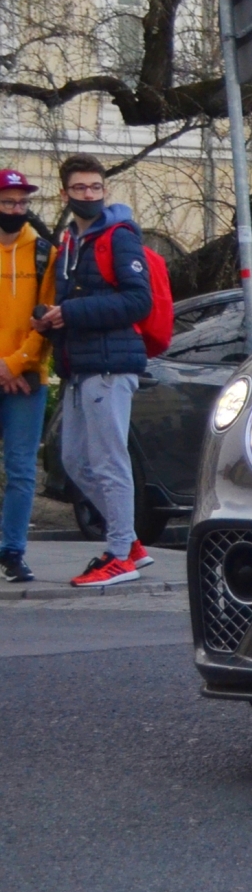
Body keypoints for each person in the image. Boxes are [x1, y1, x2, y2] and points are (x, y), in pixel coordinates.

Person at [35, 156, 154, 588]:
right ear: (64, 192)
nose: (89, 195)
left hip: (109, 365)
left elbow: (139, 301)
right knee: (75, 461)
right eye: (80, 188)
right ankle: (130, 543)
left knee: (108, 461)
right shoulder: (70, 241)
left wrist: (71, 311)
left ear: (104, 190)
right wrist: (49, 318)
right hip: (80, 366)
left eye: (95, 188)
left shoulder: (118, 238)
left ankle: (120, 553)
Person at [0, 168, 53, 582]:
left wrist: (14, 365)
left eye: (21, 203)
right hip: (8, 372)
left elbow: (46, 320)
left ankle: (12, 551)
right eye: (8, 203)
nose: (16, 210)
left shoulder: (43, 253)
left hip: (26, 379)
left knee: (21, 469)